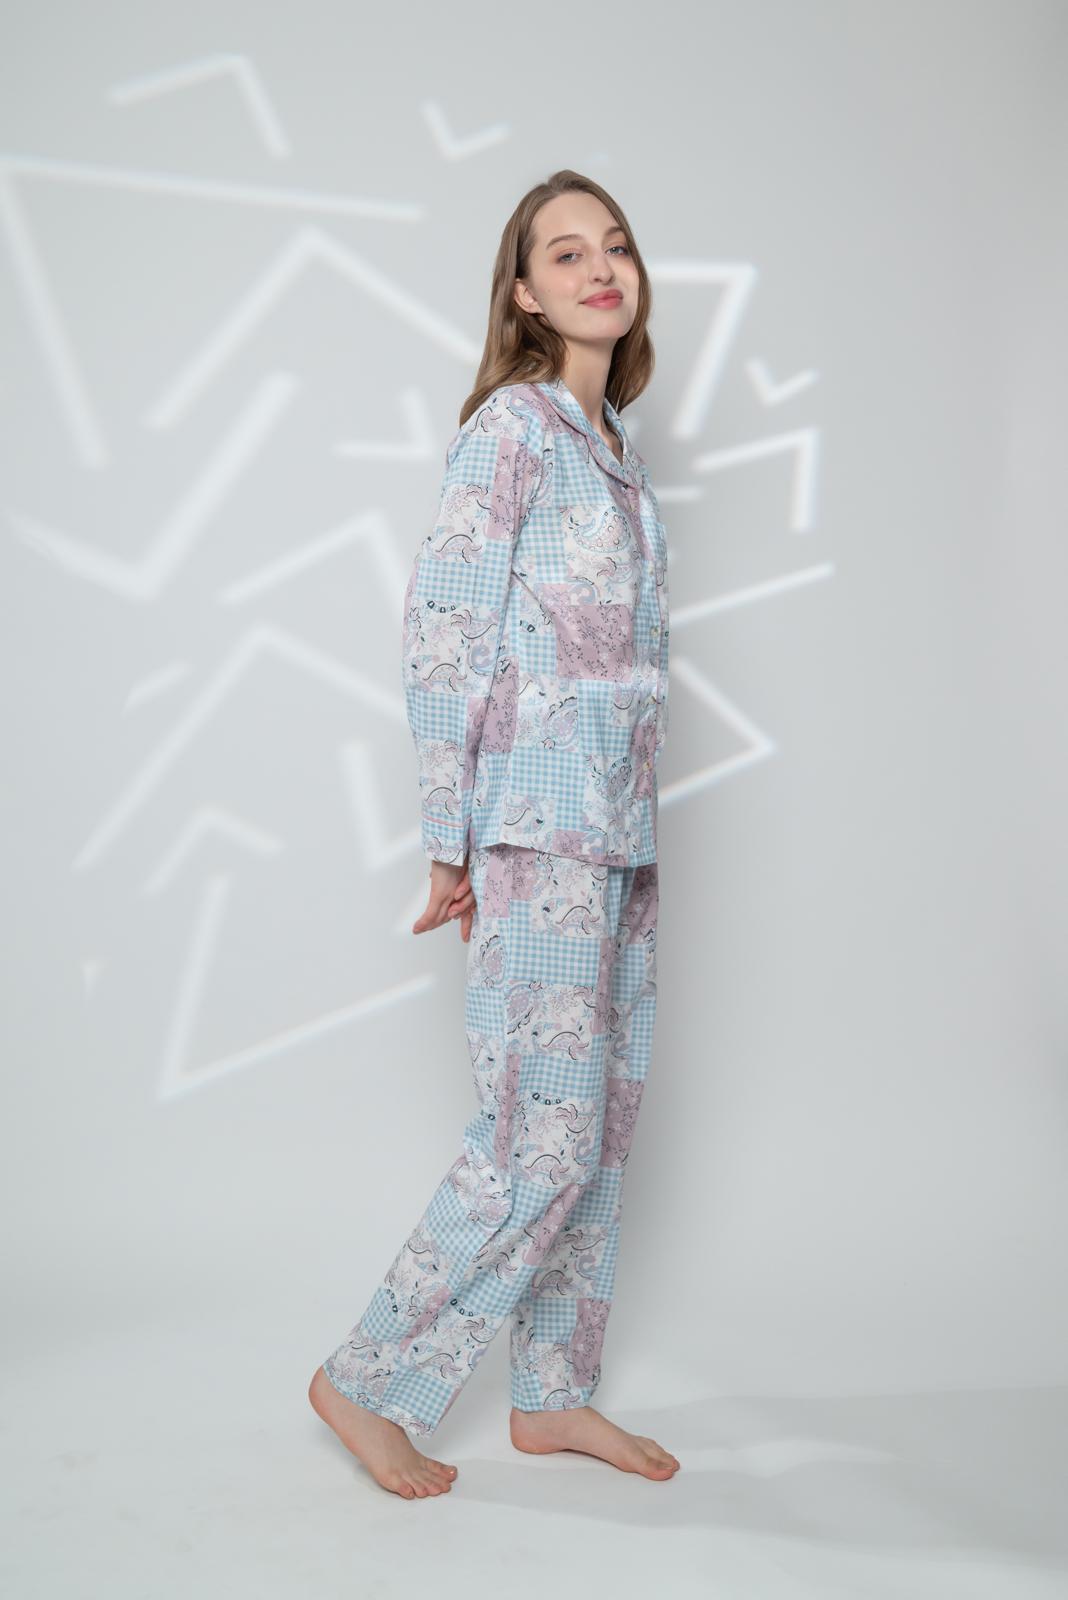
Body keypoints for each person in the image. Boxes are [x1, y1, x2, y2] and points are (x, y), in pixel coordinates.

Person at [309, 170, 679, 1498]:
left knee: (602, 1130)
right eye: (564, 254)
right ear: (522, 294)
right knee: (540, 1137)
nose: (599, 268)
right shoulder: (512, 429)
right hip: (536, 829)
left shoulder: (613, 451)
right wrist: (451, 838)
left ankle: (553, 1394)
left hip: (620, 836)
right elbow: (444, 629)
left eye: (614, 246)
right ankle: (364, 1380)